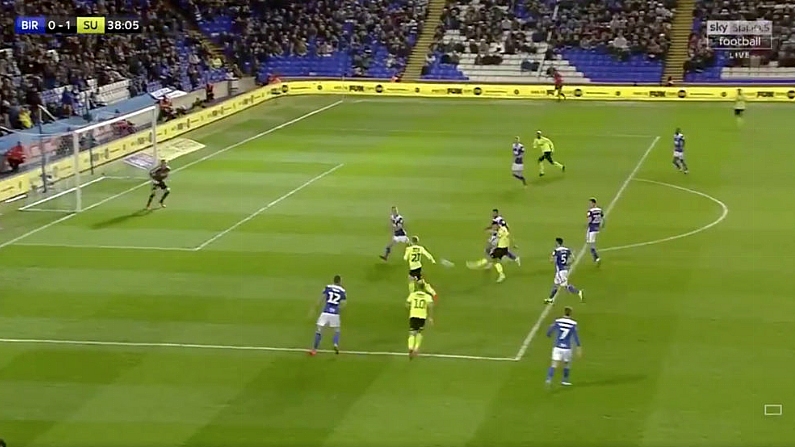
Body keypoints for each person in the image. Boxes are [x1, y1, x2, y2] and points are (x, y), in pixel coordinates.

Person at [309, 275, 346, 356]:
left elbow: (321, 298)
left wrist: (315, 308)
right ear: (339, 281)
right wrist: (338, 310)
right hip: (335, 313)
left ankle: (314, 350)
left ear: (333, 280)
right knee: (336, 330)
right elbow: (343, 304)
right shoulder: (342, 291)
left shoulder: (328, 287)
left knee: (319, 330)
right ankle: (335, 343)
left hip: (325, 311)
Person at [545, 306, 581, 386]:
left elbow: (550, 330)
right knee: (567, 364)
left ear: (564, 312)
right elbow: (575, 336)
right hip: (567, 348)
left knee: (554, 364)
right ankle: (564, 380)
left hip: (557, 346)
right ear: (570, 313)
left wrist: (548, 334)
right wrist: (578, 347)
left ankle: (549, 379)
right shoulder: (573, 323)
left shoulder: (558, 321)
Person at [544, 237, 584, 304]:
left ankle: (578, 292)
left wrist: (553, 259)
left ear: (557, 243)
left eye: (555, 242)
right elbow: (573, 258)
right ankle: (550, 299)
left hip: (560, 271)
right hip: (564, 269)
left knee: (565, 285)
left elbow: (551, 260)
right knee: (555, 284)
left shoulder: (556, 250)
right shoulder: (567, 249)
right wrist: (568, 264)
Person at [406, 279, 435, 359]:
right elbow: (431, 306)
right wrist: (430, 317)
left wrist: (411, 308)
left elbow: (407, 304)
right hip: (422, 316)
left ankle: (410, 347)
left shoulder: (413, 295)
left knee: (412, 332)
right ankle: (416, 348)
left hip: (413, 315)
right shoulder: (427, 296)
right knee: (419, 332)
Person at [586, 198, 603, 264]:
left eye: (590, 203)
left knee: (591, 244)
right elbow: (602, 218)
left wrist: (587, 225)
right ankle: (595, 258)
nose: (589, 204)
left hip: (592, 228)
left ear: (594, 203)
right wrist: (601, 226)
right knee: (589, 242)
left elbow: (589, 219)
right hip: (597, 227)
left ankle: (596, 258)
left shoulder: (590, 211)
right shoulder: (600, 210)